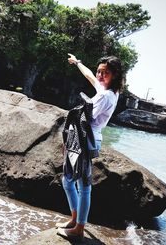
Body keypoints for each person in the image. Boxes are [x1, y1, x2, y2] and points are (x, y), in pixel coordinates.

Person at [56, 53, 124, 241]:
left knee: (82, 185)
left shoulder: (106, 96)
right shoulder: (107, 90)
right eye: (99, 71)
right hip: (84, 138)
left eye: (105, 73)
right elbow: (89, 77)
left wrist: (68, 142)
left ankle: (79, 228)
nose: (100, 76)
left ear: (115, 75)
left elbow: (83, 119)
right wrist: (78, 62)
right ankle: (75, 220)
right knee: (68, 181)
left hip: (85, 140)